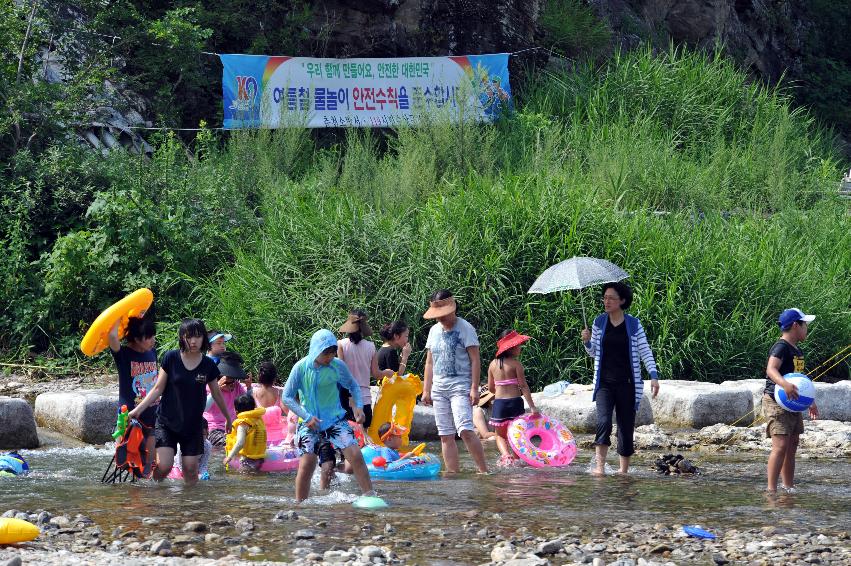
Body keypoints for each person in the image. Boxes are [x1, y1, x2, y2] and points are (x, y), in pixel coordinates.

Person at [129, 318, 232, 486]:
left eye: (198, 337)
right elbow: (157, 389)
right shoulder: (171, 358)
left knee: (191, 470)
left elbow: (217, 393)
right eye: (189, 336)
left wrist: (228, 418)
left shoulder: (207, 365)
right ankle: (154, 493)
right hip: (167, 422)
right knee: (165, 466)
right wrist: (136, 411)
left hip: (192, 426)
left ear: (203, 339)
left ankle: (190, 507)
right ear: (182, 337)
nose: (193, 341)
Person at [282, 329, 377, 502]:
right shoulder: (301, 368)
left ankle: (370, 496)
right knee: (307, 464)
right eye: (326, 354)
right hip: (309, 422)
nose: (330, 358)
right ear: (315, 350)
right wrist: (306, 416)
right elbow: (286, 397)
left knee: (355, 454)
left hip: (335, 420)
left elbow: (354, 386)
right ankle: (299, 504)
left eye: (332, 353)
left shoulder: (337, 366)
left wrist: (359, 408)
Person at [582, 282, 659, 476]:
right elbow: (593, 353)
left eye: (611, 298)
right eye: (604, 297)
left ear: (622, 301)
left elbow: (645, 351)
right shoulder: (599, 322)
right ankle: (599, 468)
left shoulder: (633, 324)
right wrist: (587, 341)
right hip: (604, 384)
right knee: (603, 422)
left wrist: (654, 375)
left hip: (628, 384)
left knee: (625, 427)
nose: (606, 301)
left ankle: (623, 471)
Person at [422, 290, 488, 473]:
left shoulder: (465, 328)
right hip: (439, 388)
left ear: (453, 309)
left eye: (443, 314)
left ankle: (483, 470)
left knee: (465, 430)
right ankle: (452, 473)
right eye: (438, 315)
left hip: (460, 385)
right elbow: (429, 362)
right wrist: (426, 389)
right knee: (445, 434)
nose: (441, 318)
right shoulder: (434, 330)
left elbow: (475, 359)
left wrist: (474, 388)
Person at [763, 308, 820, 494]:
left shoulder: (798, 350)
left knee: (792, 443)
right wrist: (784, 384)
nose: (807, 329)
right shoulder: (781, 347)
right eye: (805, 325)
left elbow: (800, 379)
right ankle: (771, 490)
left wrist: (810, 401)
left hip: (793, 403)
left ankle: (788, 486)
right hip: (776, 402)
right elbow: (771, 370)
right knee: (780, 445)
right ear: (796, 325)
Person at [108, 312, 158, 473]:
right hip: (129, 414)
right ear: (136, 339)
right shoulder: (123, 355)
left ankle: (149, 488)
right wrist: (118, 315)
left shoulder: (152, 352)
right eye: (148, 337)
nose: (153, 340)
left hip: (152, 411)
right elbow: (112, 337)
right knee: (125, 460)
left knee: (149, 463)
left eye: (153, 336)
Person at [487, 330, 540, 465]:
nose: (520, 348)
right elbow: (524, 386)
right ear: (510, 348)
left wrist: (499, 389)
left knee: (500, 435)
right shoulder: (516, 364)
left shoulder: (493, 364)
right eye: (518, 345)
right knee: (517, 434)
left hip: (499, 404)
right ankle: (517, 459)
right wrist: (532, 407)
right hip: (515, 403)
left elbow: (491, 388)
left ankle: (506, 456)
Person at [337, 310, 393, 430]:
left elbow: (340, 373)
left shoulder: (341, 345)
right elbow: (377, 374)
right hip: (365, 398)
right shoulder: (371, 346)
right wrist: (387, 372)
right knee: (364, 438)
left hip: (347, 398)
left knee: (347, 438)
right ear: (363, 328)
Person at [203, 351, 248, 446]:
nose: (231, 384)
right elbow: (204, 408)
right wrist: (216, 389)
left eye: (233, 379)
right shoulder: (209, 385)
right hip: (214, 428)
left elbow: (248, 406)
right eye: (228, 380)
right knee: (226, 444)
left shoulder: (237, 386)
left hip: (233, 427)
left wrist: (249, 388)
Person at [224, 393, 267, 473]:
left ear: (236, 411)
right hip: (260, 457)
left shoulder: (243, 424)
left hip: (248, 460)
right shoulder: (258, 419)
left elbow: (240, 443)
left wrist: (229, 457)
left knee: (244, 478)